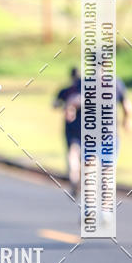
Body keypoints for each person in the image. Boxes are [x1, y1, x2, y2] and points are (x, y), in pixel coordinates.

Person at [54, 67, 82, 199]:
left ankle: (74, 180)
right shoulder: (85, 89)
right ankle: (79, 182)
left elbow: (54, 104)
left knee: (72, 154)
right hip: (85, 128)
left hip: (71, 127)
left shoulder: (66, 90)